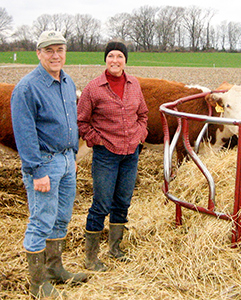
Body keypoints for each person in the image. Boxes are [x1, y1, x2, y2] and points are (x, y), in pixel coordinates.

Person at [11, 30, 87, 299]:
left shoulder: (67, 81)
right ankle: (38, 284)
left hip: (66, 160)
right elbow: (25, 132)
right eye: (49, 50)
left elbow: (70, 121)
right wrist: (36, 170)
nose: (56, 56)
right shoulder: (27, 87)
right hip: (44, 162)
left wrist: (73, 156)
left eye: (60, 50)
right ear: (38, 53)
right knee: (41, 221)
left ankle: (56, 270)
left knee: (61, 218)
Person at [77, 41, 148, 271]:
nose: (115, 60)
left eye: (119, 56)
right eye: (111, 56)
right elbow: (81, 121)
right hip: (106, 155)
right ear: (105, 60)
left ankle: (115, 249)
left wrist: (141, 134)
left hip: (131, 154)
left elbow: (143, 114)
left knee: (122, 202)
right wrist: (98, 140)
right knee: (101, 204)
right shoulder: (93, 88)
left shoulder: (134, 84)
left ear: (125, 60)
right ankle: (91, 258)